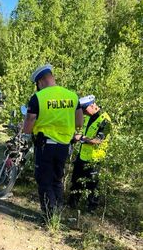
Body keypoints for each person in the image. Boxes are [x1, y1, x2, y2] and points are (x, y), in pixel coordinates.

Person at [23, 64, 83, 215]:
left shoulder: (38, 97)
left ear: (41, 81)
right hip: (64, 146)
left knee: (44, 180)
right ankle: (58, 212)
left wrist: (28, 129)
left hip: (45, 147)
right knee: (57, 179)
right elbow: (79, 123)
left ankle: (49, 216)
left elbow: (29, 122)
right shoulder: (72, 96)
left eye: (37, 85)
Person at [69, 95, 112, 211]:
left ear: (93, 105)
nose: (83, 112)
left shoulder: (105, 120)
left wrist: (82, 138)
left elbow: (98, 140)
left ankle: (91, 210)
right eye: (82, 110)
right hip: (82, 156)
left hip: (94, 159)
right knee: (76, 182)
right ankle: (71, 205)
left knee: (92, 186)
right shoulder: (88, 117)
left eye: (84, 109)